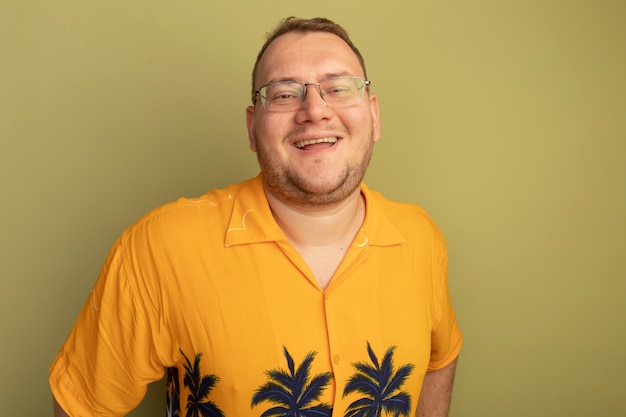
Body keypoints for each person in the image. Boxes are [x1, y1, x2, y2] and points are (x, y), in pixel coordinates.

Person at [50, 16, 462, 417]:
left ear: (373, 115)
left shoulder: (422, 238)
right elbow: (81, 404)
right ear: (252, 128)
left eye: (338, 88)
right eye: (284, 94)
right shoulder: (158, 247)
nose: (315, 110)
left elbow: (440, 357)